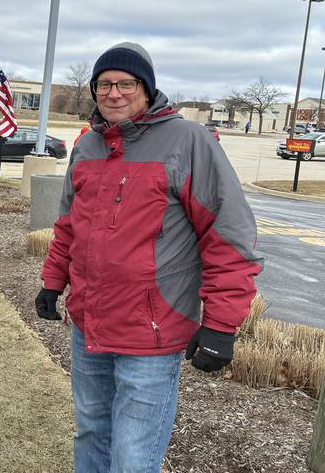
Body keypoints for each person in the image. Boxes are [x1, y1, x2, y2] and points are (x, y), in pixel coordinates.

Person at [35, 42, 262, 473]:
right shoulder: (88, 148)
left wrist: (220, 324)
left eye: (126, 83)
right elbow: (69, 224)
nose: (114, 93)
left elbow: (229, 236)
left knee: (133, 457)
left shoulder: (188, 142)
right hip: (88, 326)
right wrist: (53, 280)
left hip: (151, 336)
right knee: (91, 435)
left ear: (147, 89)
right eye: (104, 84)